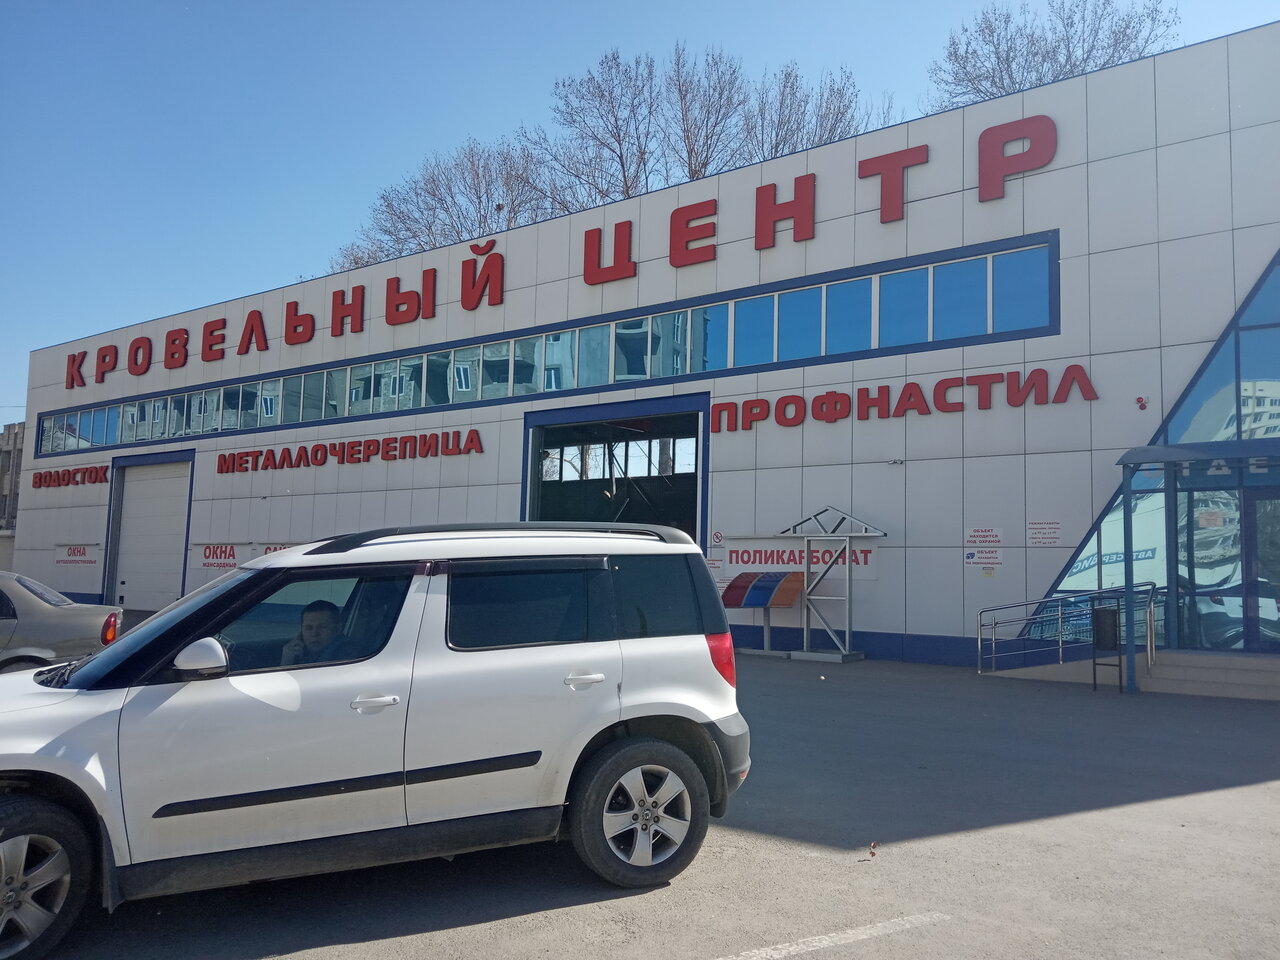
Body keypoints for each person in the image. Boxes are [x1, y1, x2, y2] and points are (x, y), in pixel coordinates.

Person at [281, 600, 352, 666]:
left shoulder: (345, 657)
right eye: (308, 628)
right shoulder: (304, 652)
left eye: (323, 627)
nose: (314, 633)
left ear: (338, 629)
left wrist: (286, 664)